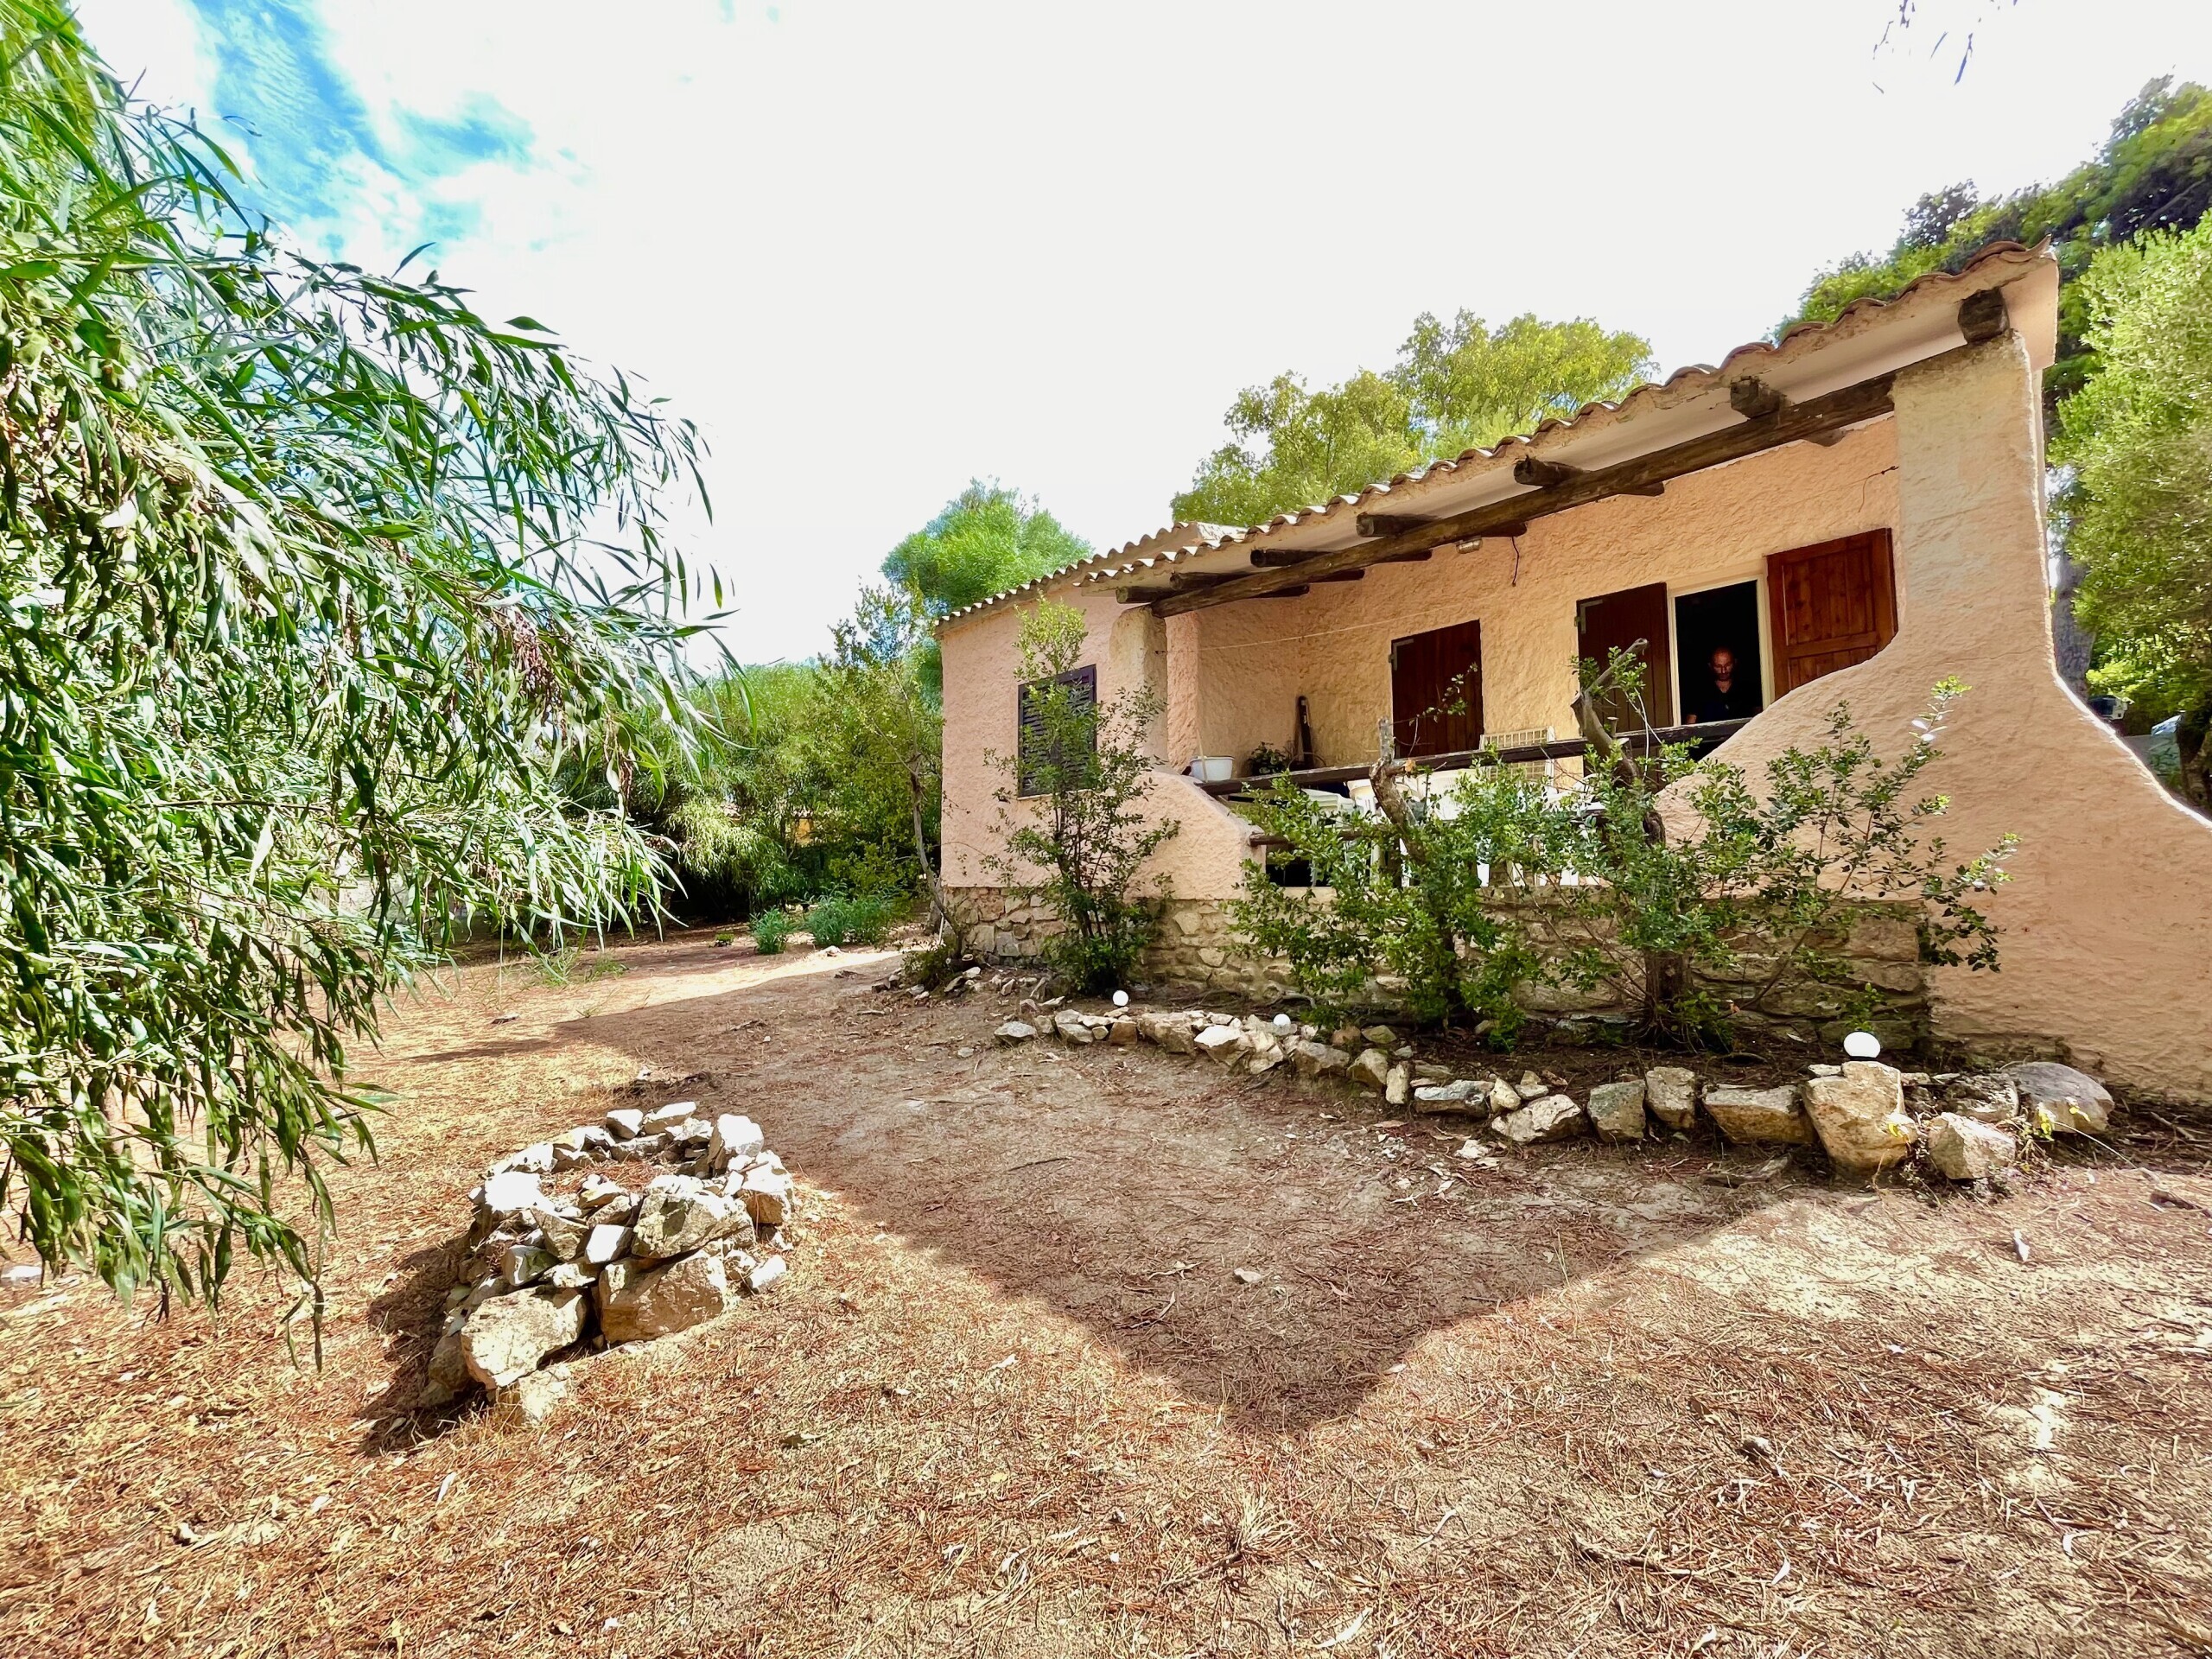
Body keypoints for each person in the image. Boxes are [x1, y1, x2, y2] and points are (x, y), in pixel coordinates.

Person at [1688, 645, 1757, 724]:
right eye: (1718, 666)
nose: (1723, 671)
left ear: (1735, 663)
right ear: (1710, 666)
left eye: (1727, 665)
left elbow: (1759, 719)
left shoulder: (1748, 689)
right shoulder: (1700, 692)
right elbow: (1691, 724)